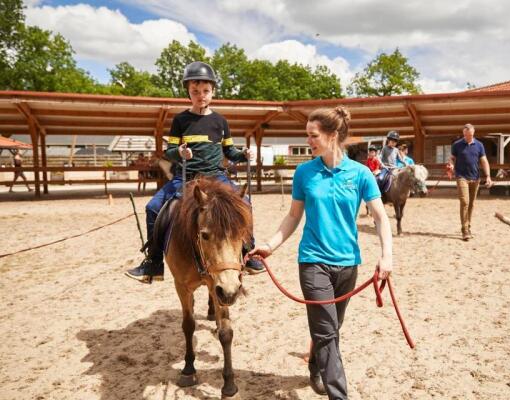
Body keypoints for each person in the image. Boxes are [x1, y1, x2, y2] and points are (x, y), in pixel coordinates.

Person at [249, 106, 393, 400]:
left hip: (348, 264)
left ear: (334, 135)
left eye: (313, 136)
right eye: (308, 135)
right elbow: (292, 217)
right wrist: (271, 244)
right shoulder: (304, 172)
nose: (309, 141)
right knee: (327, 333)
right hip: (313, 262)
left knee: (331, 329)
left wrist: (386, 256)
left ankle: (315, 365)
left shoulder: (360, 173)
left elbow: (380, 218)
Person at [125, 61, 265, 284]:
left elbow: (229, 151)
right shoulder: (180, 120)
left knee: (245, 203)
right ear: (188, 93)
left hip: (216, 175)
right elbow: (170, 152)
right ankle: (154, 263)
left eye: (206, 91)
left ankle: (248, 254)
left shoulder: (221, 121)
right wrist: (179, 151)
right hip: (184, 177)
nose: (201, 96)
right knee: (152, 208)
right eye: (195, 92)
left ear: (213, 92)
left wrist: (244, 154)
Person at [447, 123, 492, 241]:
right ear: (463, 134)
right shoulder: (457, 145)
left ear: (473, 133)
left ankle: (468, 226)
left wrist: (488, 176)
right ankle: (464, 229)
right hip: (461, 176)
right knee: (465, 202)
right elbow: (452, 158)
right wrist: (451, 165)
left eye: (470, 135)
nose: (468, 137)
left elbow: (484, 161)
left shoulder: (479, 145)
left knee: (471, 204)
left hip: (475, 178)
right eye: (466, 135)